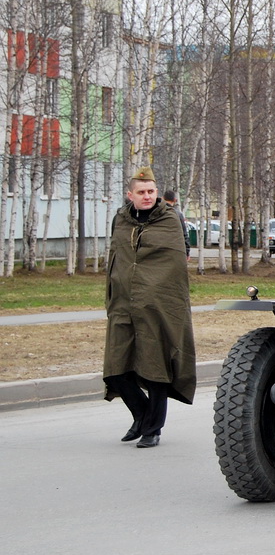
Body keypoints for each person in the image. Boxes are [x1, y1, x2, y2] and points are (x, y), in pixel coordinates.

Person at [103, 167, 196, 448]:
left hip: (159, 305)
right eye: (141, 192)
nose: (147, 196)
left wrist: (155, 292)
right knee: (115, 368)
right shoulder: (120, 220)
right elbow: (116, 258)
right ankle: (141, 414)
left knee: (155, 368)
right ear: (129, 195)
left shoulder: (170, 220)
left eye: (151, 192)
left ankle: (153, 429)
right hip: (123, 303)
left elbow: (174, 263)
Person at [163, 189, 190, 259]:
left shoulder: (157, 212)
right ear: (175, 200)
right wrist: (187, 251)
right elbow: (184, 234)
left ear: (163, 198)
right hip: (174, 250)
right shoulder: (178, 214)